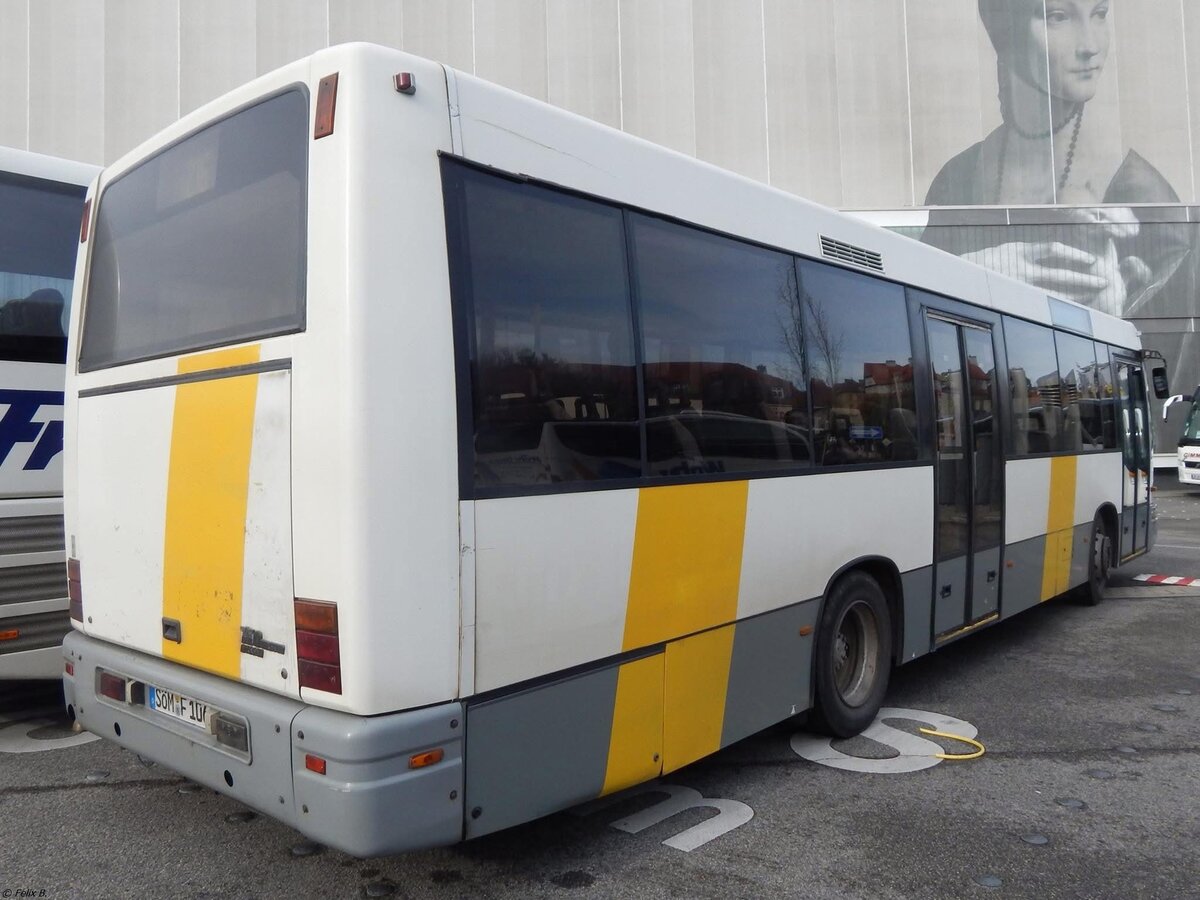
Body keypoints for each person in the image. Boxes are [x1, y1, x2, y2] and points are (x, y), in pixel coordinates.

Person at [923, 0, 1189, 318]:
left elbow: (1170, 334)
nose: (1090, 46)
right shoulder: (958, 178)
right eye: (1058, 17)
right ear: (1007, 30)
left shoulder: (1142, 196)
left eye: (1100, 14)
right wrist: (974, 275)